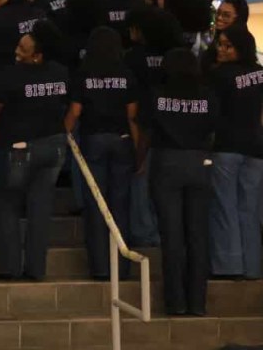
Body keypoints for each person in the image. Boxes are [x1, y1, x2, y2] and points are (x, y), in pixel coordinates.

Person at [0, 20, 69, 280]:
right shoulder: (60, 73)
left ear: (37, 55)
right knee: (40, 209)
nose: (16, 51)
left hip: (20, 148)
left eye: (22, 49)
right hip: (54, 147)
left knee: (9, 204)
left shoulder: (10, 75)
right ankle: (36, 270)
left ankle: (9, 269)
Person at [141, 48, 217, 316]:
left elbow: (147, 130)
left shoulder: (157, 95)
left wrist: (140, 161)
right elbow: (213, 127)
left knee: (172, 237)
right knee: (198, 236)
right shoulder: (208, 95)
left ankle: (176, 302)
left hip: (167, 163)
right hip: (200, 162)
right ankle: (198, 303)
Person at [64, 26, 139, 280]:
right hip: (121, 140)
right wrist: (138, 152)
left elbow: (74, 112)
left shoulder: (84, 74)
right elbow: (132, 117)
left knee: (96, 205)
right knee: (120, 205)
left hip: (93, 140)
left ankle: (100, 268)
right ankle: (123, 266)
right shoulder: (126, 74)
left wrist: (63, 137)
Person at [208, 26, 263, 280]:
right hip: (256, 149)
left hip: (227, 148)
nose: (221, 49)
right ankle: (252, 267)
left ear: (241, 46)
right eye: (220, 44)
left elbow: (213, 114)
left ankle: (229, 265)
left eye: (227, 45)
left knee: (225, 207)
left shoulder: (219, 76)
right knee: (249, 209)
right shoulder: (260, 74)